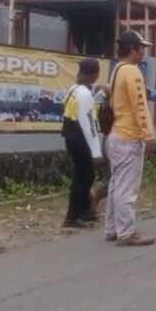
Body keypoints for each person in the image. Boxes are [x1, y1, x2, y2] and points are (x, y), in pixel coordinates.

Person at [90, 84, 156, 214]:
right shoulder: (131, 87)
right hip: (124, 138)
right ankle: (102, 201)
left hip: (111, 137)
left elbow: (93, 104)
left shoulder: (110, 89)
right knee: (121, 180)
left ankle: (102, 205)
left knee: (115, 178)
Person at [105, 30, 156, 246]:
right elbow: (140, 105)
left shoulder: (117, 69)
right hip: (129, 137)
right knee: (127, 189)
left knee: (116, 186)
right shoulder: (133, 71)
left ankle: (112, 229)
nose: (144, 52)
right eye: (142, 48)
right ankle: (126, 233)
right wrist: (149, 135)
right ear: (133, 49)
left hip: (116, 136)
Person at [61, 58, 103, 228]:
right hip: (80, 138)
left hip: (71, 136)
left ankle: (85, 212)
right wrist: (96, 152)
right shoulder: (84, 94)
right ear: (94, 75)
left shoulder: (74, 89)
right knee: (83, 177)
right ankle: (73, 216)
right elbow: (89, 125)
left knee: (85, 175)